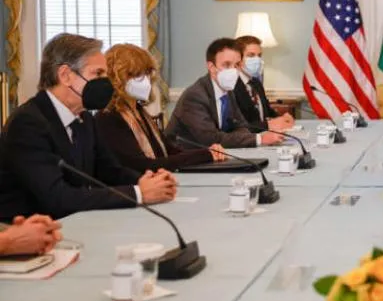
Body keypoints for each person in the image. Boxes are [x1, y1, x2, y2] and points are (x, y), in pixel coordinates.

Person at [0, 33, 177, 221]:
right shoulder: (28, 123)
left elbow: (109, 170)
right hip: (26, 228)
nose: (106, 83)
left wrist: (148, 180)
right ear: (65, 75)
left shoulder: (84, 117)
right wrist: (139, 193)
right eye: (98, 73)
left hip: (72, 221)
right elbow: (57, 197)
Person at [96, 44, 228, 172]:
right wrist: (204, 155)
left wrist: (209, 152)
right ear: (117, 78)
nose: (146, 80)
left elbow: (170, 151)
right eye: (136, 74)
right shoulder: (109, 117)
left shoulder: (139, 111)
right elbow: (143, 166)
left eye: (147, 73)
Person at [165, 38, 283, 148]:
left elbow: (242, 126)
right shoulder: (195, 96)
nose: (233, 70)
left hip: (217, 153)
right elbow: (210, 138)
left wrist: (243, 137)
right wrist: (259, 139)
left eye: (236, 65)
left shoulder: (227, 90)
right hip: (186, 156)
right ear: (212, 67)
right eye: (226, 65)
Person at [233, 35, 294, 130]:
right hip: (249, 137)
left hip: (266, 135)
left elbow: (266, 112)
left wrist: (282, 118)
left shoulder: (256, 83)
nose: (257, 60)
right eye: (251, 55)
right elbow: (236, 126)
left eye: (259, 55)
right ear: (237, 59)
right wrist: (268, 125)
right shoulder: (230, 86)